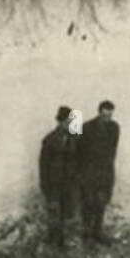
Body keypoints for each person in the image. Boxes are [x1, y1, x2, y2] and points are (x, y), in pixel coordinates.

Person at [78, 101, 119, 245]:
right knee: (88, 203)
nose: (107, 118)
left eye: (110, 115)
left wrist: (109, 171)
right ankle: (86, 235)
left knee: (101, 203)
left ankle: (97, 232)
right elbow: (79, 152)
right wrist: (82, 174)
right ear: (99, 112)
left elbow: (113, 150)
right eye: (105, 115)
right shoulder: (87, 128)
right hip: (89, 172)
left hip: (105, 171)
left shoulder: (114, 128)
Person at [40, 106, 81, 248]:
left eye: (71, 121)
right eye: (67, 121)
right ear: (60, 121)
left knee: (68, 214)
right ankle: (52, 242)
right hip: (54, 184)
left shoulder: (75, 139)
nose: (69, 124)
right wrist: (45, 187)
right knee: (54, 214)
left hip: (69, 184)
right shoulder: (49, 140)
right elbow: (43, 166)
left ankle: (64, 242)